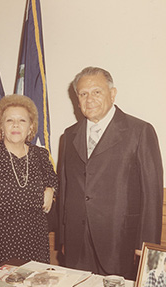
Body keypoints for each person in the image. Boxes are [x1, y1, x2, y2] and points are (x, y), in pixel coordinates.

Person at [59, 66, 163, 279]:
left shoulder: (140, 131)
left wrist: (146, 246)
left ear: (112, 93)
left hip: (121, 241)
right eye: (83, 94)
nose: (89, 99)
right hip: (77, 242)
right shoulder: (69, 136)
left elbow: (152, 194)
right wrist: (63, 238)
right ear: (77, 99)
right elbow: (65, 187)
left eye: (97, 92)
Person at [0, 94, 58, 268]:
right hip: (0, 239)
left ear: (30, 126)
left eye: (22, 121)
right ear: (1, 126)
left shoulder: (40, 155)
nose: (16, 125)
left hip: (36, 238)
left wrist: (51, 189)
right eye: (10, 120)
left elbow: (55, 179)